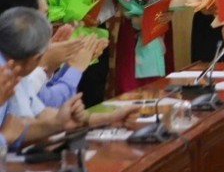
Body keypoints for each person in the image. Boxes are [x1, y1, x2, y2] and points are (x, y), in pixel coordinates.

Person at [0, 8, 136, 148]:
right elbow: (13, 132)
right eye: (45, 14)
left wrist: (106, 118)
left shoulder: (15, 70)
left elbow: (37, 117)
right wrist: (74, 67)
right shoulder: (12, 70)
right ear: (36, 58)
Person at [0, 0, 98, 108]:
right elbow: (45, 107)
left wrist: (51, 65)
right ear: (21, 19)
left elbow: (44, 104)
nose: (49, 25)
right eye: (44, 16)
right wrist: (75, 67)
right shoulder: (8, 66)